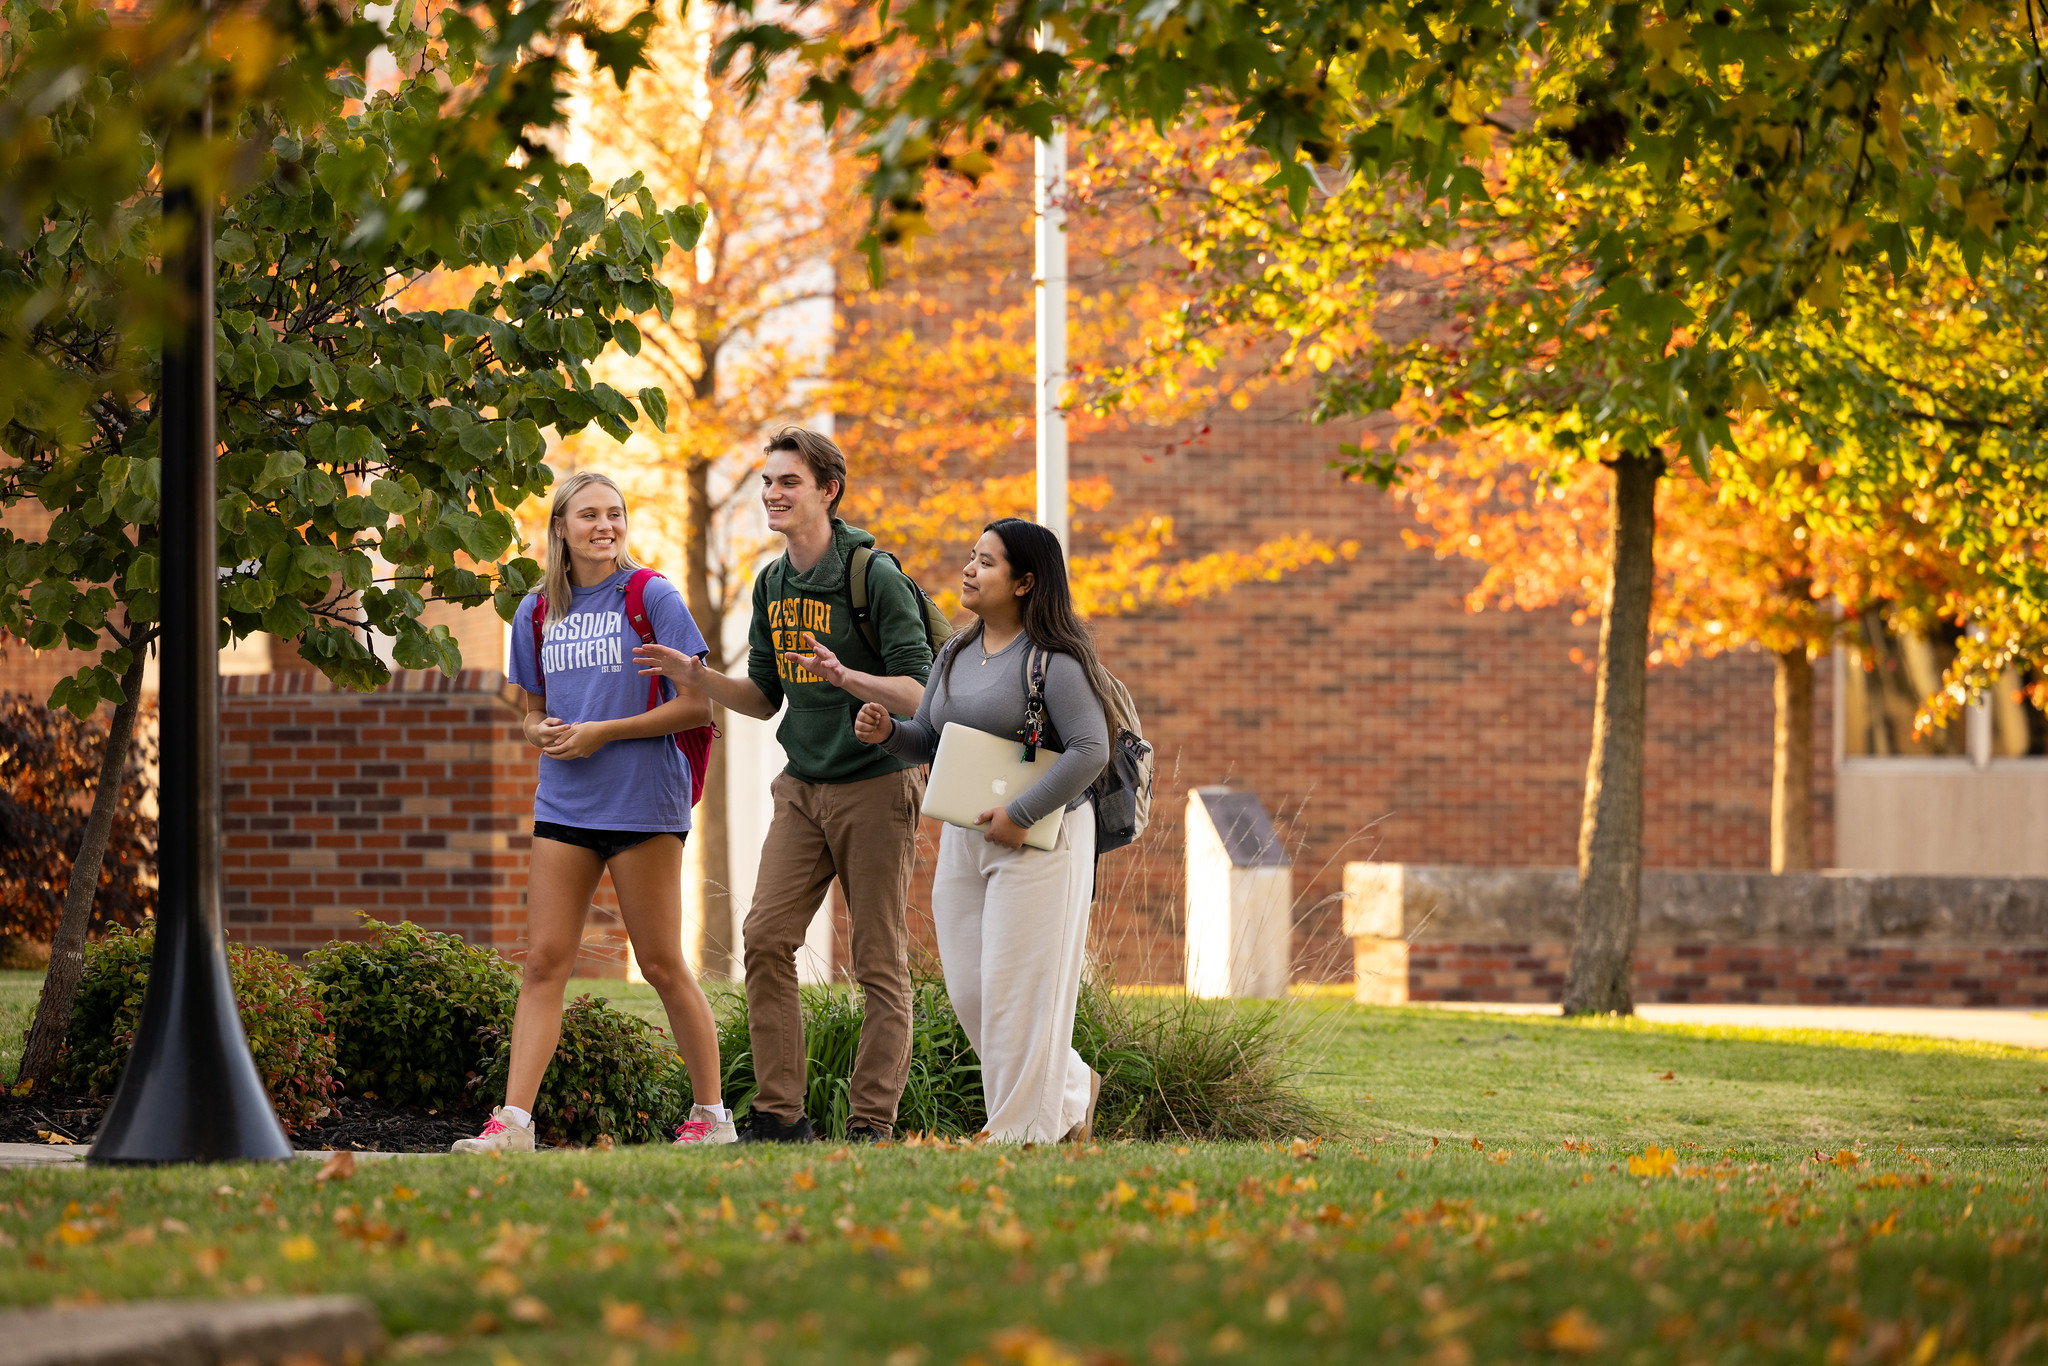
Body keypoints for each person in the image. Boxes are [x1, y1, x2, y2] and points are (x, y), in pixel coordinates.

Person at [634, 426, 934, 1143]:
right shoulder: (773, 583)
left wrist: (846, 679)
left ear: (828, 491)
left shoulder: (873, 576)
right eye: (767, 482)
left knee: (877, 958)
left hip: (877, 783)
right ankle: (780, 1113)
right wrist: (696, 676)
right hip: (802, 784)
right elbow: (766, 697)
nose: (772, 494)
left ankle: (870, 1124)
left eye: (788, 482)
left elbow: (922, 694)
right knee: (766, 936)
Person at [452, 471, 735, 1153]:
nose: (604, 526)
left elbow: (698, 704)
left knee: (662, 962)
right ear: (561, 528)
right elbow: (533, 711)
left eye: (614, 514)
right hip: (565, 801)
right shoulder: (536, 612)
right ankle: (513, 1125)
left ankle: (712, 1117)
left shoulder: (652, 596)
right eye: (589, 516)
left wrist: (604, 731)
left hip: (643, 803)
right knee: (545, 962)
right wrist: (538, 733)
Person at [854, 518, 1110, 1143]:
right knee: (973, 994)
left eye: (987, 562)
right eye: (972, 557)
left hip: (1041, 839)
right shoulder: (957, 653)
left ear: (1025, 582)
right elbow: (934, 740)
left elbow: (1090, 747)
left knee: (1016, 994)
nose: (969, 569)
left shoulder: (1055, 659)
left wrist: (1021, 816)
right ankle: (1073, 1089)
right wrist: (889, 733)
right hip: (966, 836)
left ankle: (1021, 1135)